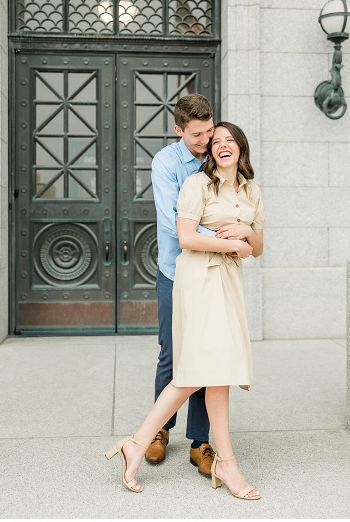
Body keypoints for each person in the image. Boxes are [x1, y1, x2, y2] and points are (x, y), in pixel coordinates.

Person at [106, 121, 264, 500]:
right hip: (199, 280)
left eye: (229, 140)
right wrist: (232, 245)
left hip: (228, 283)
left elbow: (257, 247)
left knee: (216, 372)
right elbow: (186, 236)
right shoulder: (197, 184)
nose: (221, 145)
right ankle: (214, 459)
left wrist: (244, 234)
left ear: (241, 147)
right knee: (199, 370)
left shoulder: (252, 191)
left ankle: (141, 444)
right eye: (216, 141)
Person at [144, 93, 215, 476]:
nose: (205, 140)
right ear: (178, 130)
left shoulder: (220, 152)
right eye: (196, 134)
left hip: (212, 274)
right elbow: (174, 223)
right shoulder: (166, 162)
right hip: (175, 271)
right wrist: (221, 237)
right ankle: (160, 429)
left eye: (209, 131)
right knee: (171, 353)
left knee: (207, 356)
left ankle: (200, 441)